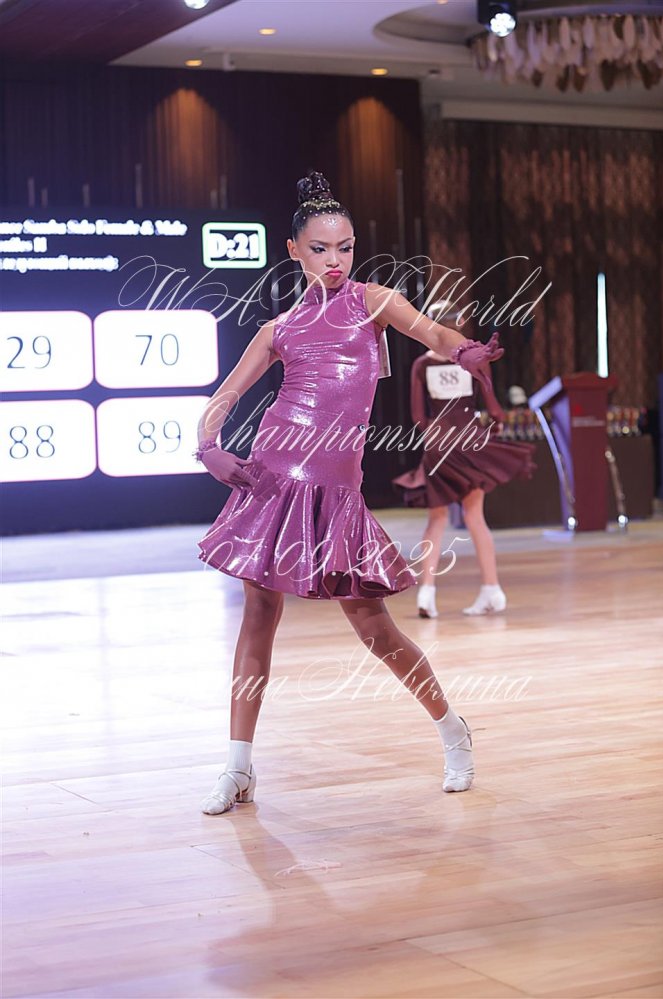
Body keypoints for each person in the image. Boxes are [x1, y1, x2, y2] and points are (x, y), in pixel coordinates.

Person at [193, 170, 504, 815]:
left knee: (376, 628)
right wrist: (210, 448)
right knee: (257, 618)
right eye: (320, 249)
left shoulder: (373, 302)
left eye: (346, 247)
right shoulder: (279, 329)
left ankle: (454, 731)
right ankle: (237, 766)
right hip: (272, 482)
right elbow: (223, 398)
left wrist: (464, 351)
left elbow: (432, 333)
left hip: (336, 497)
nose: (335, 260)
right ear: (294, 251)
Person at [392, 306, 536, 619]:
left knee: (437, 519)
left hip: (439, 445)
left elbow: (418, 416)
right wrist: (492, 429)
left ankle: (427, 592)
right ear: (457, 327)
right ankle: (492, 589)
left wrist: (436, 438)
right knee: (474, 517)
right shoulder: (472, 361)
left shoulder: (421, 365)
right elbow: (494, 409)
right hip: (470, 441)